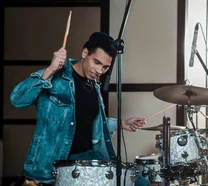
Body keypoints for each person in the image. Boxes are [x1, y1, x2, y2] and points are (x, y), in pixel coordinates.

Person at [10, 32, 147, 185]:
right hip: (58, 163)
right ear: (84, 53)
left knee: (141, 183)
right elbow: (17, 99)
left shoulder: (93, 86)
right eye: (96, 62)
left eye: (105, 67)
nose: (99, 71)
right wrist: (50, 70)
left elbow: (87, 122)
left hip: (90, 159)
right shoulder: (56, 76)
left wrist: (122, 124)